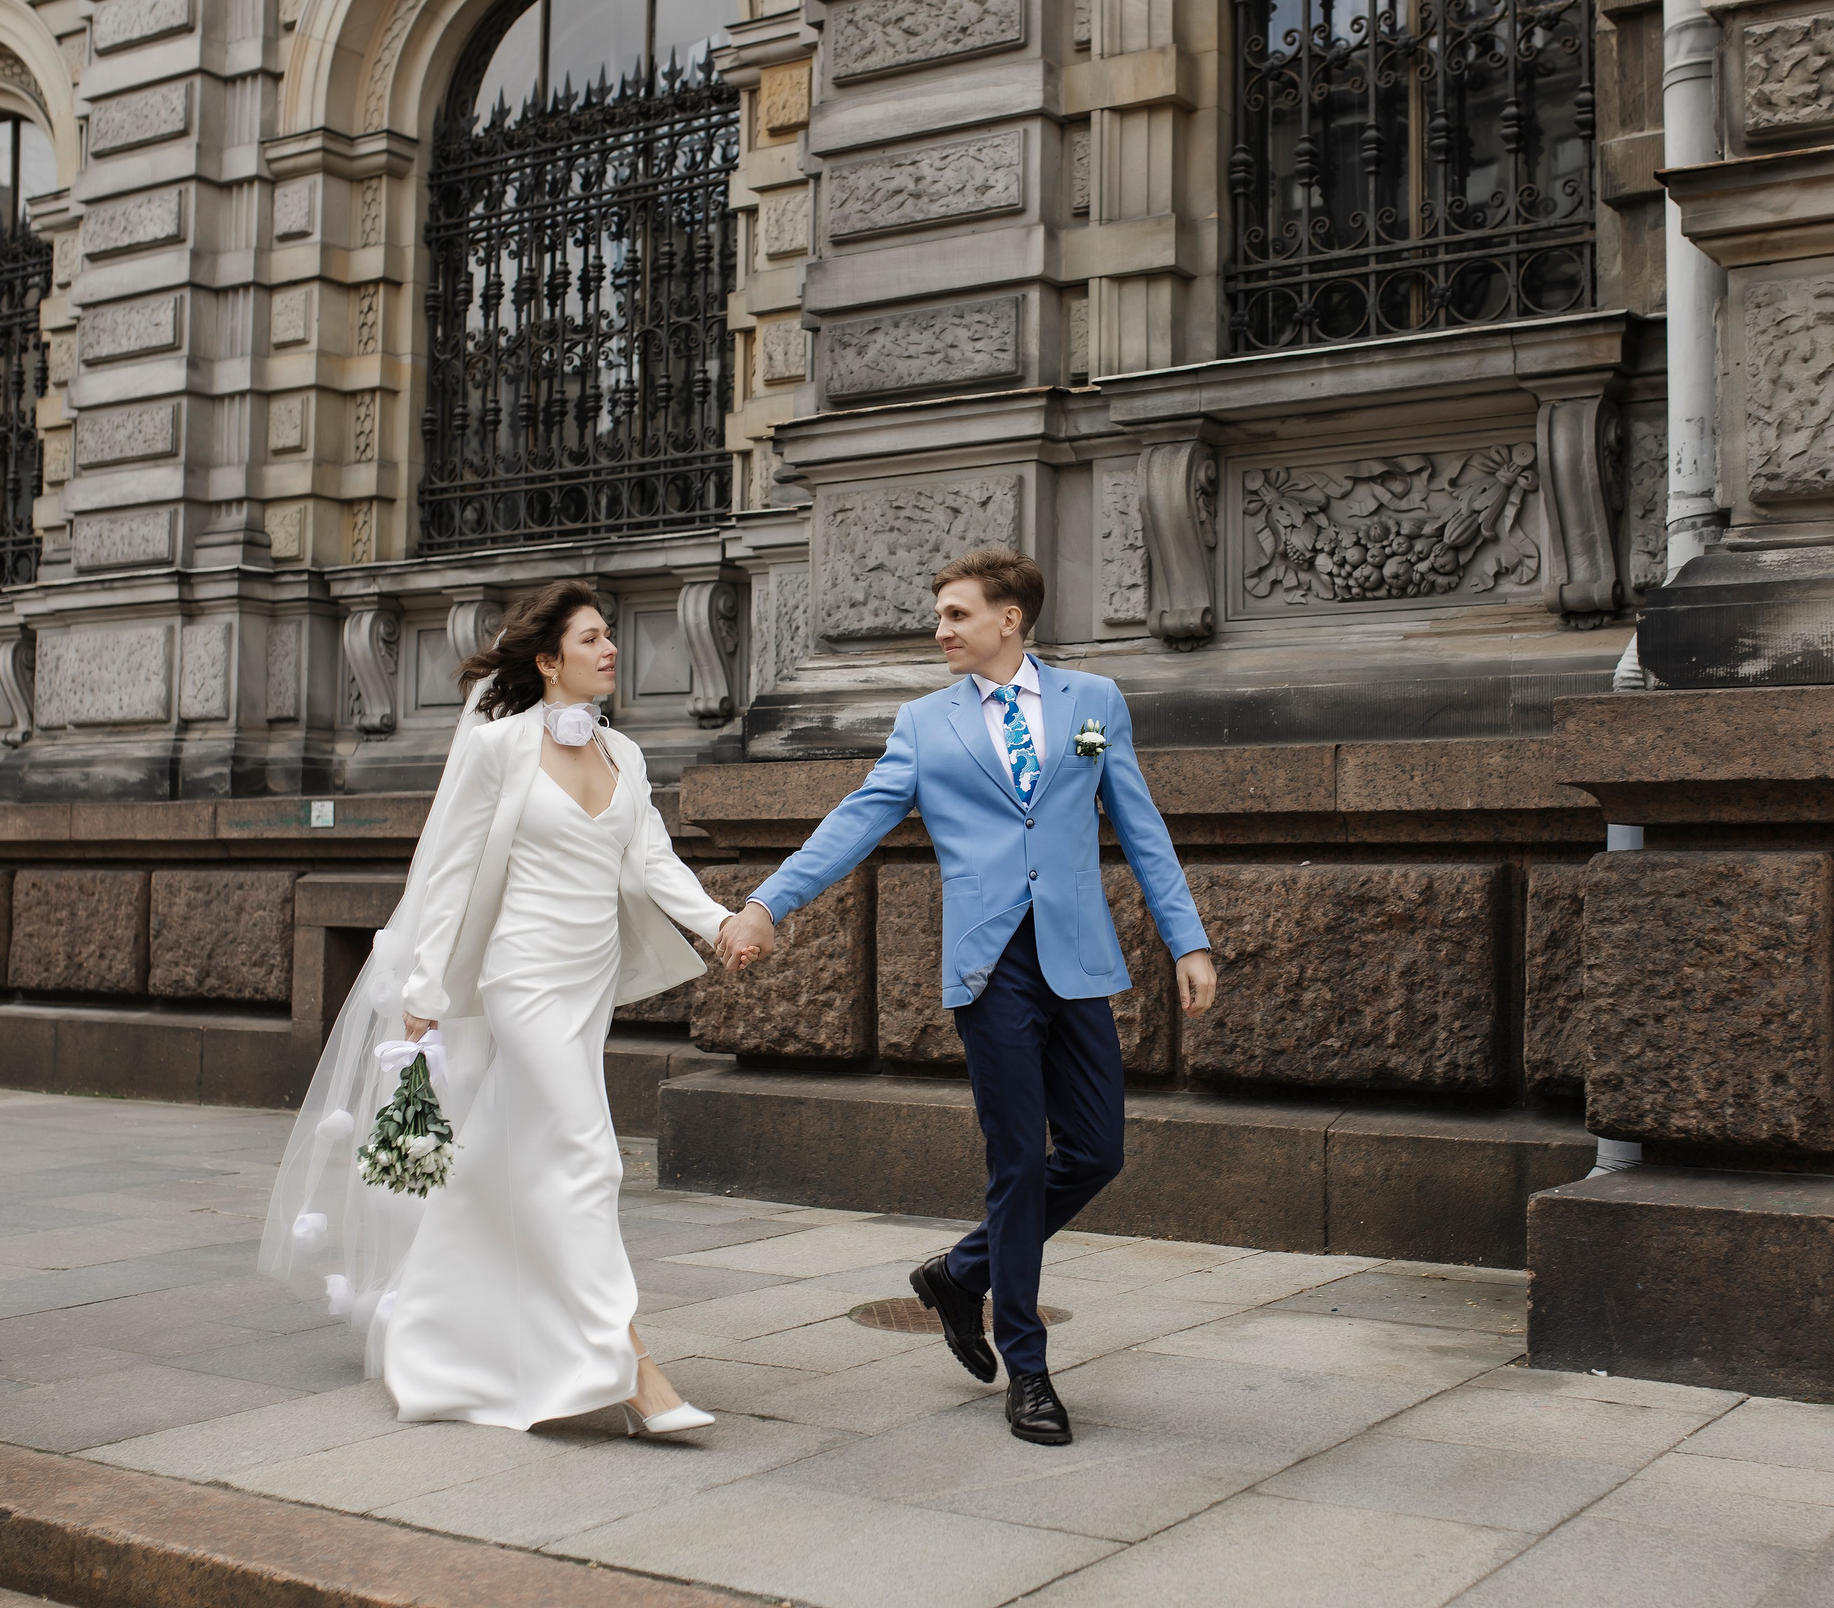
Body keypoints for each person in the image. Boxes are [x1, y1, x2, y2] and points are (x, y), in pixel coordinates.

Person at [718, 547, 1215, 1446]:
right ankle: (1027, 1366)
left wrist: (1189, 938)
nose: (939, 630)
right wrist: (765, 904)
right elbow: (855, 821)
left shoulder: (1092, 705)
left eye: (955, 614)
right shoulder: (924, 724)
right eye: (939, 614)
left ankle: (960, 1272)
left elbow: (1140, 825)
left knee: (1098, 1151)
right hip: (992, 970)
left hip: (1077, 957)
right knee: (1020, 1160)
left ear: (1009, 618)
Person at [259, 580, 724, 1436]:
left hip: (588, 986)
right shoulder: (500, 748)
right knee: (590, 1158)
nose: (610, 648)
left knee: (508, 1161)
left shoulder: (627, 754)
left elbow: (654, 862)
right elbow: (450, 874)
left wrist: (723, 925)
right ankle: (630, 1366)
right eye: (591, 638)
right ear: (549, 661)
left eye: (609, 634)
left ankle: (438, 1334)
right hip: (523, 981)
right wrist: (425, 994)